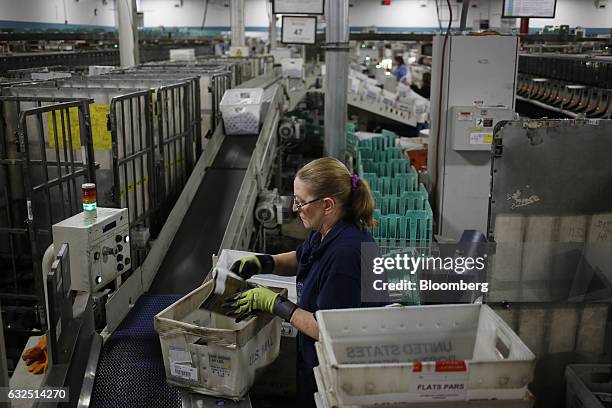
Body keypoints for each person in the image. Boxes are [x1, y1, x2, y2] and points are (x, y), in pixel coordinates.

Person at [223, 157, 380, 408]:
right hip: (312, 360)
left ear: (327, 204)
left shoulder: (347, 255)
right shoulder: (327, 230)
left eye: (301, 202)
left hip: (335, 377)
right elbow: (303, 257)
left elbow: (329, 330)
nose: (295, 209)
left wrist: (275, 303)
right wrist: (266, 262)